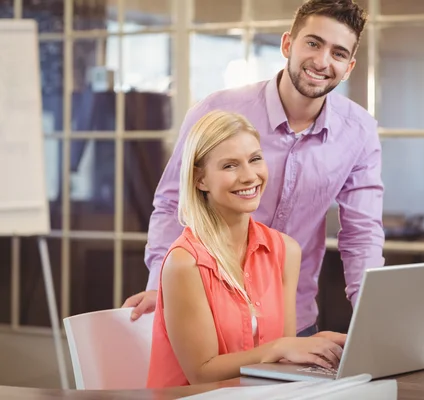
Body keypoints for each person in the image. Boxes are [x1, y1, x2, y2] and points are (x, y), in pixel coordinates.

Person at [124, 0, 385, 337]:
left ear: (348, 67)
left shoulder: (359, 131)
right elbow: (174, 203)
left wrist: (374, 317)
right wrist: (162, 284)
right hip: (209, 313)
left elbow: (362, 233)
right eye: (313, 43)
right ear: (287, 44)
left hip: (292, 317)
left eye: (337, 53)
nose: (321, 61)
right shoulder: (219, 109)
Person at [146, 110, 346, 388]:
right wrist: (279, 348)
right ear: (200, 180)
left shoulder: (286, 250)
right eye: (230, 166)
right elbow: (201, 373)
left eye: (255, 159)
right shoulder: (184, 263)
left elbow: (280, 358)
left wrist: (311, 345)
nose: (249, 176)